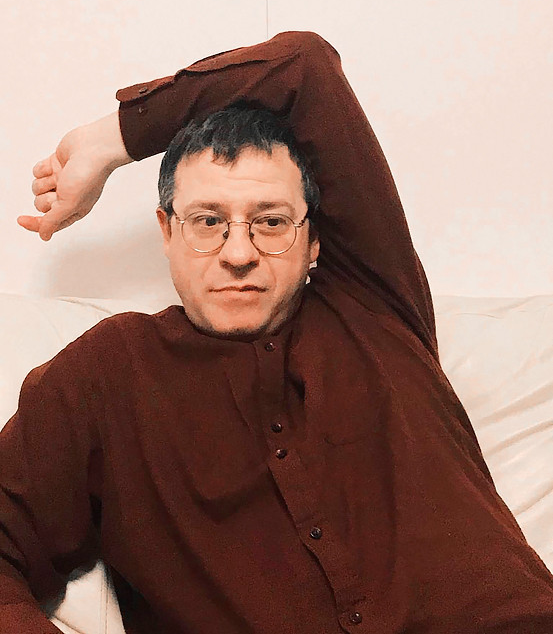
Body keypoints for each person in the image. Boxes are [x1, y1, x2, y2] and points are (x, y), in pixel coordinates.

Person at [5, 31, 553, 633]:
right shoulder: (108, 375)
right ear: (167, 232)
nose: (238, 253)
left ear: (314, 239)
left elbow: (303, 67)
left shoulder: (373, 302)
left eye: (270, 222)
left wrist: (107, 142)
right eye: (207, 221)